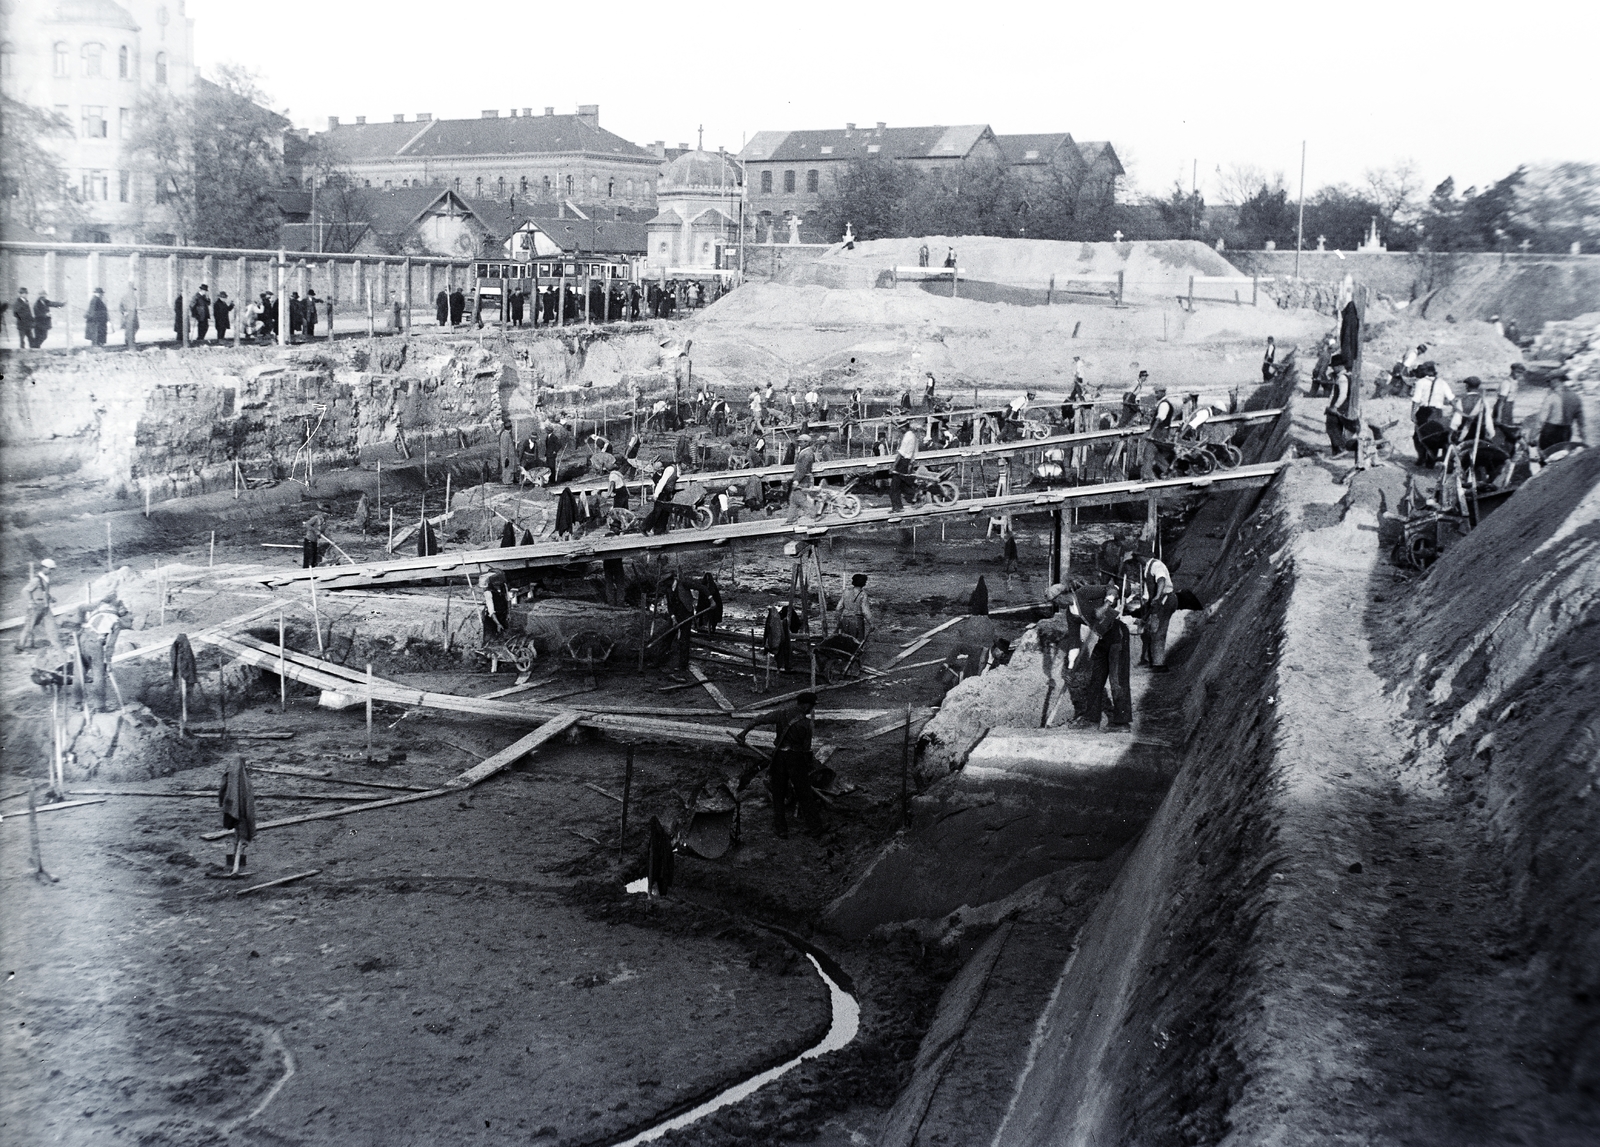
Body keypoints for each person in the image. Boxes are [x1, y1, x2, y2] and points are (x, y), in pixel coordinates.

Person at [735, 692, 823, 837]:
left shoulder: (781, 714)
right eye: (812, 706)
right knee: (805, 794)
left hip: (779, 758)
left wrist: (743, 733)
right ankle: (816, 828)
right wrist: (809, 767)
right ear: (806, 705)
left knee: (778, 795)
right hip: (796, 760)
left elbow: (758, 720)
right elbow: (806, 750)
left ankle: (781, 829)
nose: (811, 709)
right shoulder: (806, 724)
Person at [1080, 584, 1133, 729]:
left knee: (1117, 679)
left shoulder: (1083, 594)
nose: (1057, 603)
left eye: (1057, 600)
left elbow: (1112, 589)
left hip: (1117, 634)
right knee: (1095, 678)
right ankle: (1092, 720)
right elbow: (1073, 638)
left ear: (1064, 595)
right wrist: (1072, 663)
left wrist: (1104, 607)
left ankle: (1122, 722)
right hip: (1101, 639)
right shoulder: (1070, 613)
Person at [1126, 551, 1176, 670]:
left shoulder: (1156, 565)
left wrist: (1158, 596)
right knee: (1151, 629)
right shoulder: (1147, 567)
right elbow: (1149, 590)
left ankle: (1159, 664)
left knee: (1158, 631)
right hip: (1158, 600)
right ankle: (1150, 659)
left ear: (1141, 556)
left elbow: (1161, 580)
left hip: (1165, 599)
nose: (1136, 560)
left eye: (1137, 557)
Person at [83, 595, 130, 712]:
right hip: (95, 642)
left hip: (81, 639)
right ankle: (99, 707)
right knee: (99, 674)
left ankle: (77, 703)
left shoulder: (98, 611)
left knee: (80, 670)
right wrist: (108, 662)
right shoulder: (116, 622)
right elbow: (110, 645)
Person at [1411, 366, 1458, 466]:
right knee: (1435, 435)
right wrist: (1457, 411)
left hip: (1424, 412)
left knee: (1418, 436)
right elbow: (1451, 398)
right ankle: (1431, 461)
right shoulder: (1442, 382)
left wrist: (1412, 413)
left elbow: (1416, 399)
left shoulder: (1420, 382)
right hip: (1437, 412)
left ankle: (1421, 457)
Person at [16, 558, 61, 653]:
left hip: (45, 608)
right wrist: (31, 601)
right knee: (29, 627)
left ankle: (57, 647)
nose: (51, 571)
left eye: (52, 569)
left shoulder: (46, 579)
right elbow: (25, 591)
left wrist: (50, 598)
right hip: (36, 608)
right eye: (50, 569)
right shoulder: (36, 580)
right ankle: (19, 648)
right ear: (44, 568)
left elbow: (43, 592)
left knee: (52, 627)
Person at [1539, 377, 1587, 450]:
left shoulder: (1552, 396)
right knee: (1561, 455)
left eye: (1549, 382)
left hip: (1550, 431)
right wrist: (1584, 440)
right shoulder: (1576, 397)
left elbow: (1542, 419)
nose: (1548, 384)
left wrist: (1533, 436)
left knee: (1546, 455)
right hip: (1566, 432)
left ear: (1556, 380)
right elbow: (1581, 422)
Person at [887, 422, 918, 512]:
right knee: (902, 485)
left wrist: (893, 466)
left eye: (901, 428)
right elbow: (914, 452)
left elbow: (901, 453)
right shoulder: (913, 435)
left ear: (905, 427)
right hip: (907, 462)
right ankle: (901, 505)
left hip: (903, 462)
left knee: (894, 487)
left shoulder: (907, 437)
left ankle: (896, 507)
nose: (900, 430)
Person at [787, 435, 817, 522]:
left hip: (803, 480)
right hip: (802, 479)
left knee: (799, 499)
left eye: (801, 442)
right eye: (798, 441)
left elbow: (802, 468)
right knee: (793, 499)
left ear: (807, 443)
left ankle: (813, 514)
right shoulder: (804, 452)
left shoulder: (807, 453)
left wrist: (796, 480)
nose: (799, 443)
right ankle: (791, 519)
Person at [837, 573, 871, 640]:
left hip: (845, 620)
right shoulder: (863, 594)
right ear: (863, 583)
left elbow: (838, 607)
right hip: (857, 621)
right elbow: (865, 611)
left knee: (845, 641)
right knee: (857, 642)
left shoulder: (846, 592)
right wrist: (871, 623)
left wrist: (839, 620)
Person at [117, 284, 139, 350]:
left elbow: (134, 307)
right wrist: (124, 312)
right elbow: (120, 307)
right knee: (129, 329)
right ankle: (130, 344)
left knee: (135, 328)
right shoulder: (124, 297)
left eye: (133, 290)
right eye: (132, 290)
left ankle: (129, 342)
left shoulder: (134, 297)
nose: (132, 291)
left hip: (134, 316)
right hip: (128, 316)